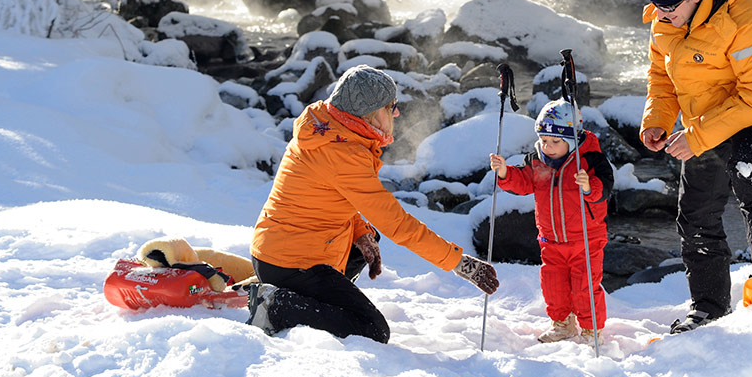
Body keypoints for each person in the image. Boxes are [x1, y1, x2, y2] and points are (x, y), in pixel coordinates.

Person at [247, 64, 499, 341]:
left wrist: (360, 232)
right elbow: (399, 225)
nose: (397, 112)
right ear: (370, 113)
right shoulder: (343, 153)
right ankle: (277, 306)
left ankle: (314, 300)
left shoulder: (325, 128)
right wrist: (458, 262)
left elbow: (330, 194)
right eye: (391, 106)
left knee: (368, 235)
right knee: (371, 329)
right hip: (293, 263)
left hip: (278, 250)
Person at [639, 0, 752, 334]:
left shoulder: (750, 20)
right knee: (695, 211)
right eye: (656, 6)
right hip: (704, 117)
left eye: (671, 7)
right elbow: (661, 79)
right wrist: (657, 121)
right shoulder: (664, 20)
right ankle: (709, 307)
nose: (661, 15)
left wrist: (696, 137)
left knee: (746, 165)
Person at [489, 98, 614, 344]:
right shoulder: (536, 161)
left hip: (585, 239)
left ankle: (591, 330)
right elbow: (523, 182)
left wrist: (589, 187)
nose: (548, 147)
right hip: (550, 239)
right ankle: (562, 323)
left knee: (584, 288)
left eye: (555, 142)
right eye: (544, 140)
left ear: (572, 140)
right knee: (552, 285)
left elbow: (605, 189)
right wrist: (504, 172)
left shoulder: (590, 160)